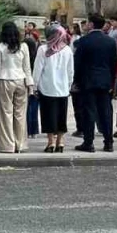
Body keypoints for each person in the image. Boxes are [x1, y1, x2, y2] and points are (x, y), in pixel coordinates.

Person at [74, 13, 117, 153]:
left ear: (91, 24)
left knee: (89, 111)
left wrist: (76, 80)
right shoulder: (110, 41)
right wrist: (111, 81)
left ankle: (88, 142)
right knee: (105, 111)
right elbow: (113, 63)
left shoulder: (84, 41)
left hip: (88, 81)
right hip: (105, 80)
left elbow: (78, 63)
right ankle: (108, 142)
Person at [0, 21, 34, 153]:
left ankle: (8, 145)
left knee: (5, 114)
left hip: (4, 79)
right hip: (21, 80)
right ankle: (20, 144)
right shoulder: (23, 46)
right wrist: (30, 84)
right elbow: (27, 67)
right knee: (20, 114)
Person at [33, 23, 74, 153]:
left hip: (47, 88)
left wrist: (34, 85)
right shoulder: (67, 50)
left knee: (48, 115)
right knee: (62, 116)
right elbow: (70, 71)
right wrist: (69, 85)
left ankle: (50, 142)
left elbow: (38, 69)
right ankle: (60, 142)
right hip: (63, 89)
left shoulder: (43, 49)